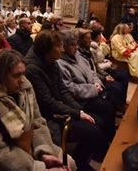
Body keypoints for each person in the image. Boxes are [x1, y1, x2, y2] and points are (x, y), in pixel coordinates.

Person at [0, 49, 74, 170]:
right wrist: (37, 167)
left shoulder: (25, 87)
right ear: (0, 76)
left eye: (23, 73)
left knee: (69, 163)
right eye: (16, 75)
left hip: (26, 145)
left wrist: (44, 152)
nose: (22, 79)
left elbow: (37, 121)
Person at [26, 30, 110, 170]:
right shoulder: (32, 69)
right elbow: (47, 103)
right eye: (59, 46)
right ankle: (78, 163)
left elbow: (63, 91)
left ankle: (81, 159)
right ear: (48, 49)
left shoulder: (52, 62)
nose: (62, 49)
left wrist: (79, 110)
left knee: (97, 121)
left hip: (59, 108)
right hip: (47, 115)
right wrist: (75, 113)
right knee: (93, 131)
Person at [57, 31, 116, 137]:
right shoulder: (60, 63)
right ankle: (107, 139)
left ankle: (109, 135)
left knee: (111, 100)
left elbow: (91, 72)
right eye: (72, 45)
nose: (76, 48)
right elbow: (70, 87)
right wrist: (93, 89)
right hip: (81, 100)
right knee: (106, 109)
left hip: (92, 93)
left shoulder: (77, 55)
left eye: (76, 44)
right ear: (63, 47)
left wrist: (97, 82)